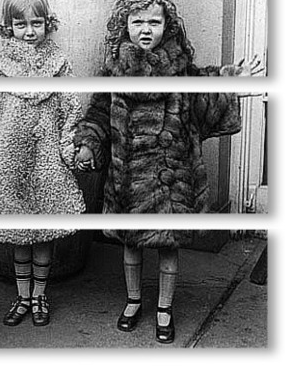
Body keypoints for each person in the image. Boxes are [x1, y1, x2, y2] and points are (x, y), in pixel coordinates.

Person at [74, 93, 244, 344]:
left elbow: (205, 101)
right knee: (131, 242)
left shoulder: (181, 73)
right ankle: (133, 301)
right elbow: (100, 112)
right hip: (130, 174)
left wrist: (230, 88)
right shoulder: (117, 74)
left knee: (168, 243)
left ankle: (165, 308)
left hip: (171, 174)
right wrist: (89, 144)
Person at [0, 92, 86, 326]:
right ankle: (25, 295)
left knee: (42, 234)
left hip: (39, 167)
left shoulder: (56, 77)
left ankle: (37, 295)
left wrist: (72, 153)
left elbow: (70, 121)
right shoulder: (2, 78)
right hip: (14, 169)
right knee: (20, 235)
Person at [102, 0, 263, 77]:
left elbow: (203, 92)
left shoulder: (177, 66)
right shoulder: (115, 69)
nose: (146, 30)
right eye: (138, 22)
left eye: (154, 22)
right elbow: (97, 117)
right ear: (126, 25)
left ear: (166, 25)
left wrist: (230, 82)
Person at [0, 0, 73, 77]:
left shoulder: (57, 58)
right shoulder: (3, 60)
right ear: (10, 26)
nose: (30, 32)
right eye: (21, 24)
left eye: (36, 23)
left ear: (46, 23)